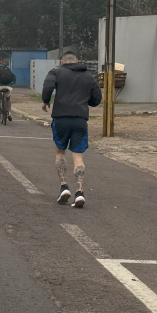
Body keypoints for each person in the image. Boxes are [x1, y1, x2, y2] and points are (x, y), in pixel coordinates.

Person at [41, 50, 102, 208]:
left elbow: (48, 86)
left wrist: (45, 101)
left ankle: (64, 187)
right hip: (80, 119)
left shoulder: (56, 71)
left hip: (61, 118)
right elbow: (97, 99)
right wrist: (84, 102)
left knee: (60, 152)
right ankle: (80, 192)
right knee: (78, 157)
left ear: (62, 62)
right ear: (77, 61)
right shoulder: (88, 76)